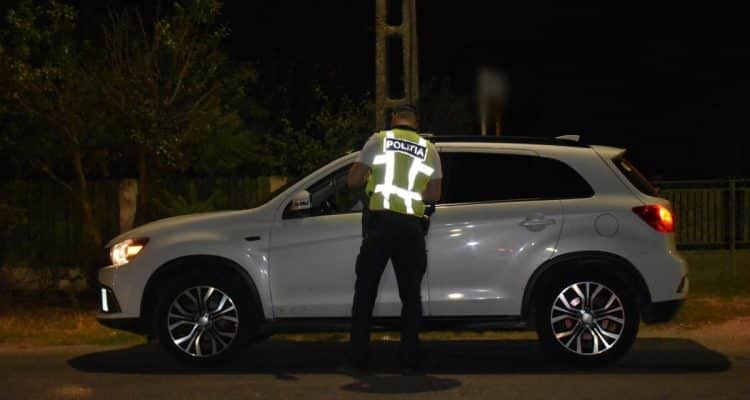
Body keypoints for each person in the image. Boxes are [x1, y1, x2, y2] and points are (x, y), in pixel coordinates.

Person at [346, 104, 442, 371]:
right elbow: (434, 195)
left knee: (365, 293)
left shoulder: (379, 140)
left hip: (380, 225)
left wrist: (370, 180)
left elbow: (353, 181)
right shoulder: (429, 149)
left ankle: (358, 357)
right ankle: (409, 358)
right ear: (416, 123)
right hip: (411, 228)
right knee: (410, 296)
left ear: (393, 119)